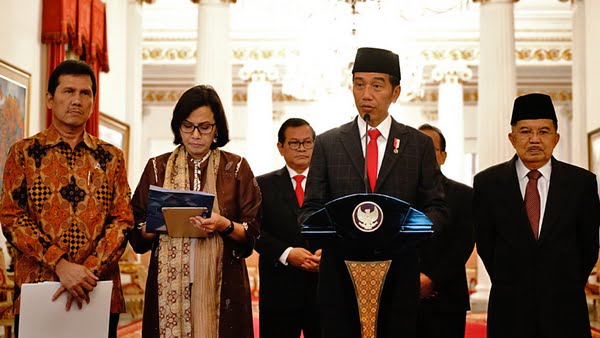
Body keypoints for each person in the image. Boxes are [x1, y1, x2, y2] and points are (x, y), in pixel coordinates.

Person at [298, 47, 448, 338]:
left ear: (395, 92)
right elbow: (309, 209)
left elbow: (437, 208)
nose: (366, 94)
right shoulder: (329, 144)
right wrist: (328, 232)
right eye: (359, 84)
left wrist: (409, 233)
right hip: (340, 278)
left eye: (377, 85)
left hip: (398, 274)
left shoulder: (418, 145)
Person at [0, 59, 133, 338]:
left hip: (97, 287)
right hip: (39, 286)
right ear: (50, 99)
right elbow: (11, 217)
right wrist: (61, 265)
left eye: (85, 93)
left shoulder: (110, 157)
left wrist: (86, 272)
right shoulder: (23, 153)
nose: (77, 100)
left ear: (93, 102)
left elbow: (123, 219)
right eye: (68, 91)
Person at [129, 84, 261, 338]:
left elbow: (253, 229)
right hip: (169, 284)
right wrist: (152, 227)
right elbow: (135, 228)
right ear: (178, 126)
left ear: (217, 128)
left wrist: (224, 224)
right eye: (188, 126)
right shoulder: (158, 167)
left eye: (205, 127)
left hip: (223, 283)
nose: (196, 135)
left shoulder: (235, 168)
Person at [473, 93, 600, 338]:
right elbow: (486, 244)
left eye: (543, 131)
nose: (534, 139)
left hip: (565, 306)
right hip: (510, 307)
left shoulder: (581, 183)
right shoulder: (488, 183)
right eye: (525, 131)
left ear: (556, 137)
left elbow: (588, 245)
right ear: (512, 138)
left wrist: (566, 284)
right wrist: (511, 282)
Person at [255, 118, 321, 338]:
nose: (301, 148)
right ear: (280, 147)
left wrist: (328, 253)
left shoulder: (331, 184)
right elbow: (253, 230)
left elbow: (344, 226)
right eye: (294, 143)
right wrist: (287, 253)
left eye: (307, 142)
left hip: (324, 288)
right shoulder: (261, 185)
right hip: (279, 288)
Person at [417, 124, 474, 338]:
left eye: (429, 148)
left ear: (443, 156)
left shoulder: (465, 195)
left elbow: (462, 245)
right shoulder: (395, 195)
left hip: (447, 298)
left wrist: (431, 279)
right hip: (402, 298)